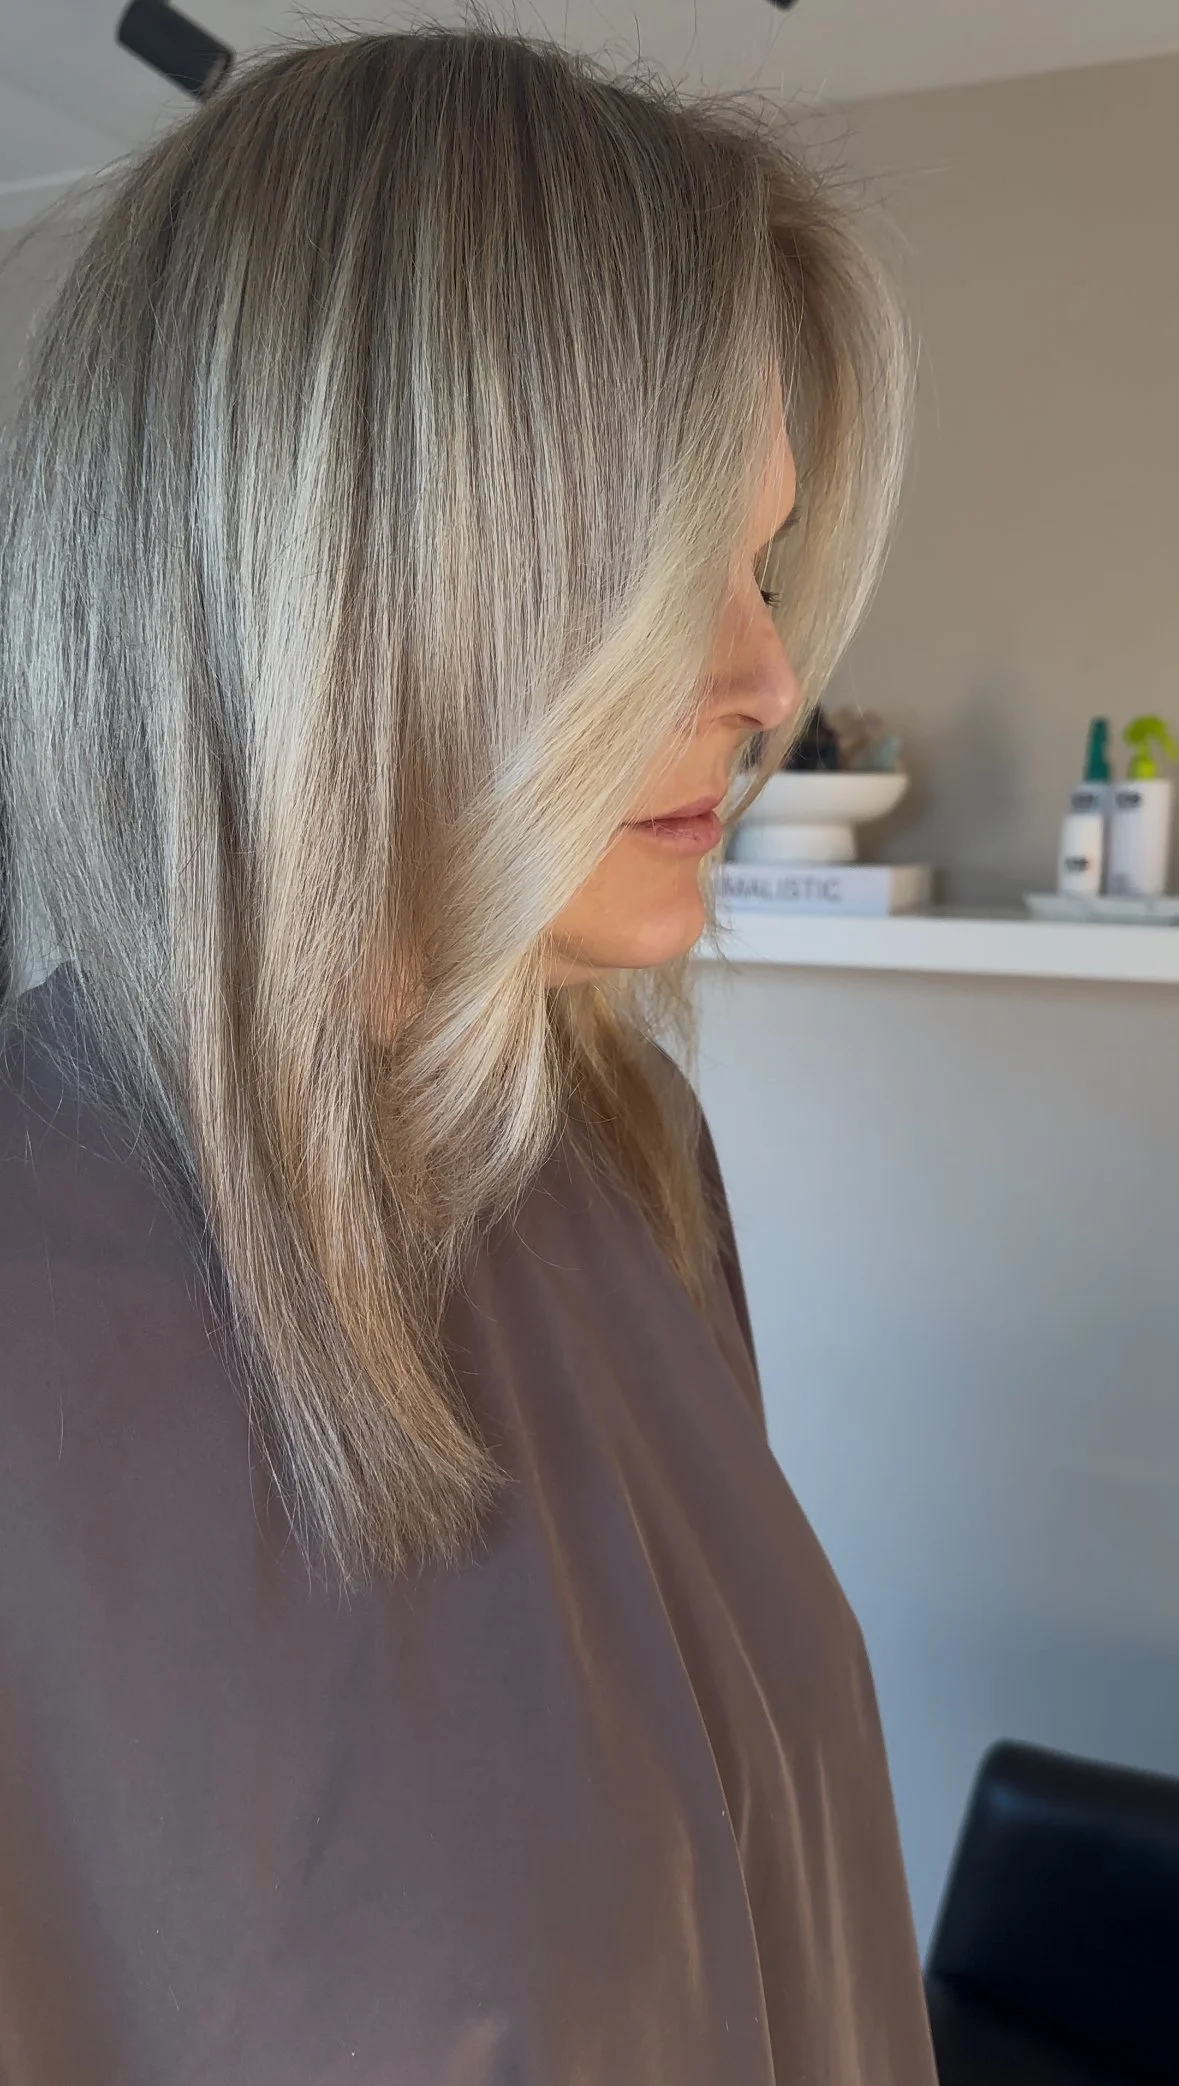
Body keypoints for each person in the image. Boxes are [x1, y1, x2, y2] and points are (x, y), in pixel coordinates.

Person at [0, 26, 933, 2086]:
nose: (773, 679)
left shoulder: (635, 1154)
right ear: (343, 579)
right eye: (666, 568)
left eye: (760, 566)